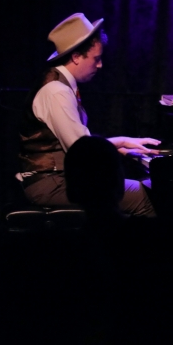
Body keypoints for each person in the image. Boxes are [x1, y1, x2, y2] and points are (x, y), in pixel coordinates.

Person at [17, 13, 160, 216]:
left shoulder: (61, 85)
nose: (100, 65)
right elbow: (81, 151)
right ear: (76, 57)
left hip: (58, 179)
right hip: (51, 184)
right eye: (96, 59)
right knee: (142, 196)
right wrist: (120, 142)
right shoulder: (57, 91)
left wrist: (122, 145)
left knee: (137, 187)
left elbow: (79, 146)